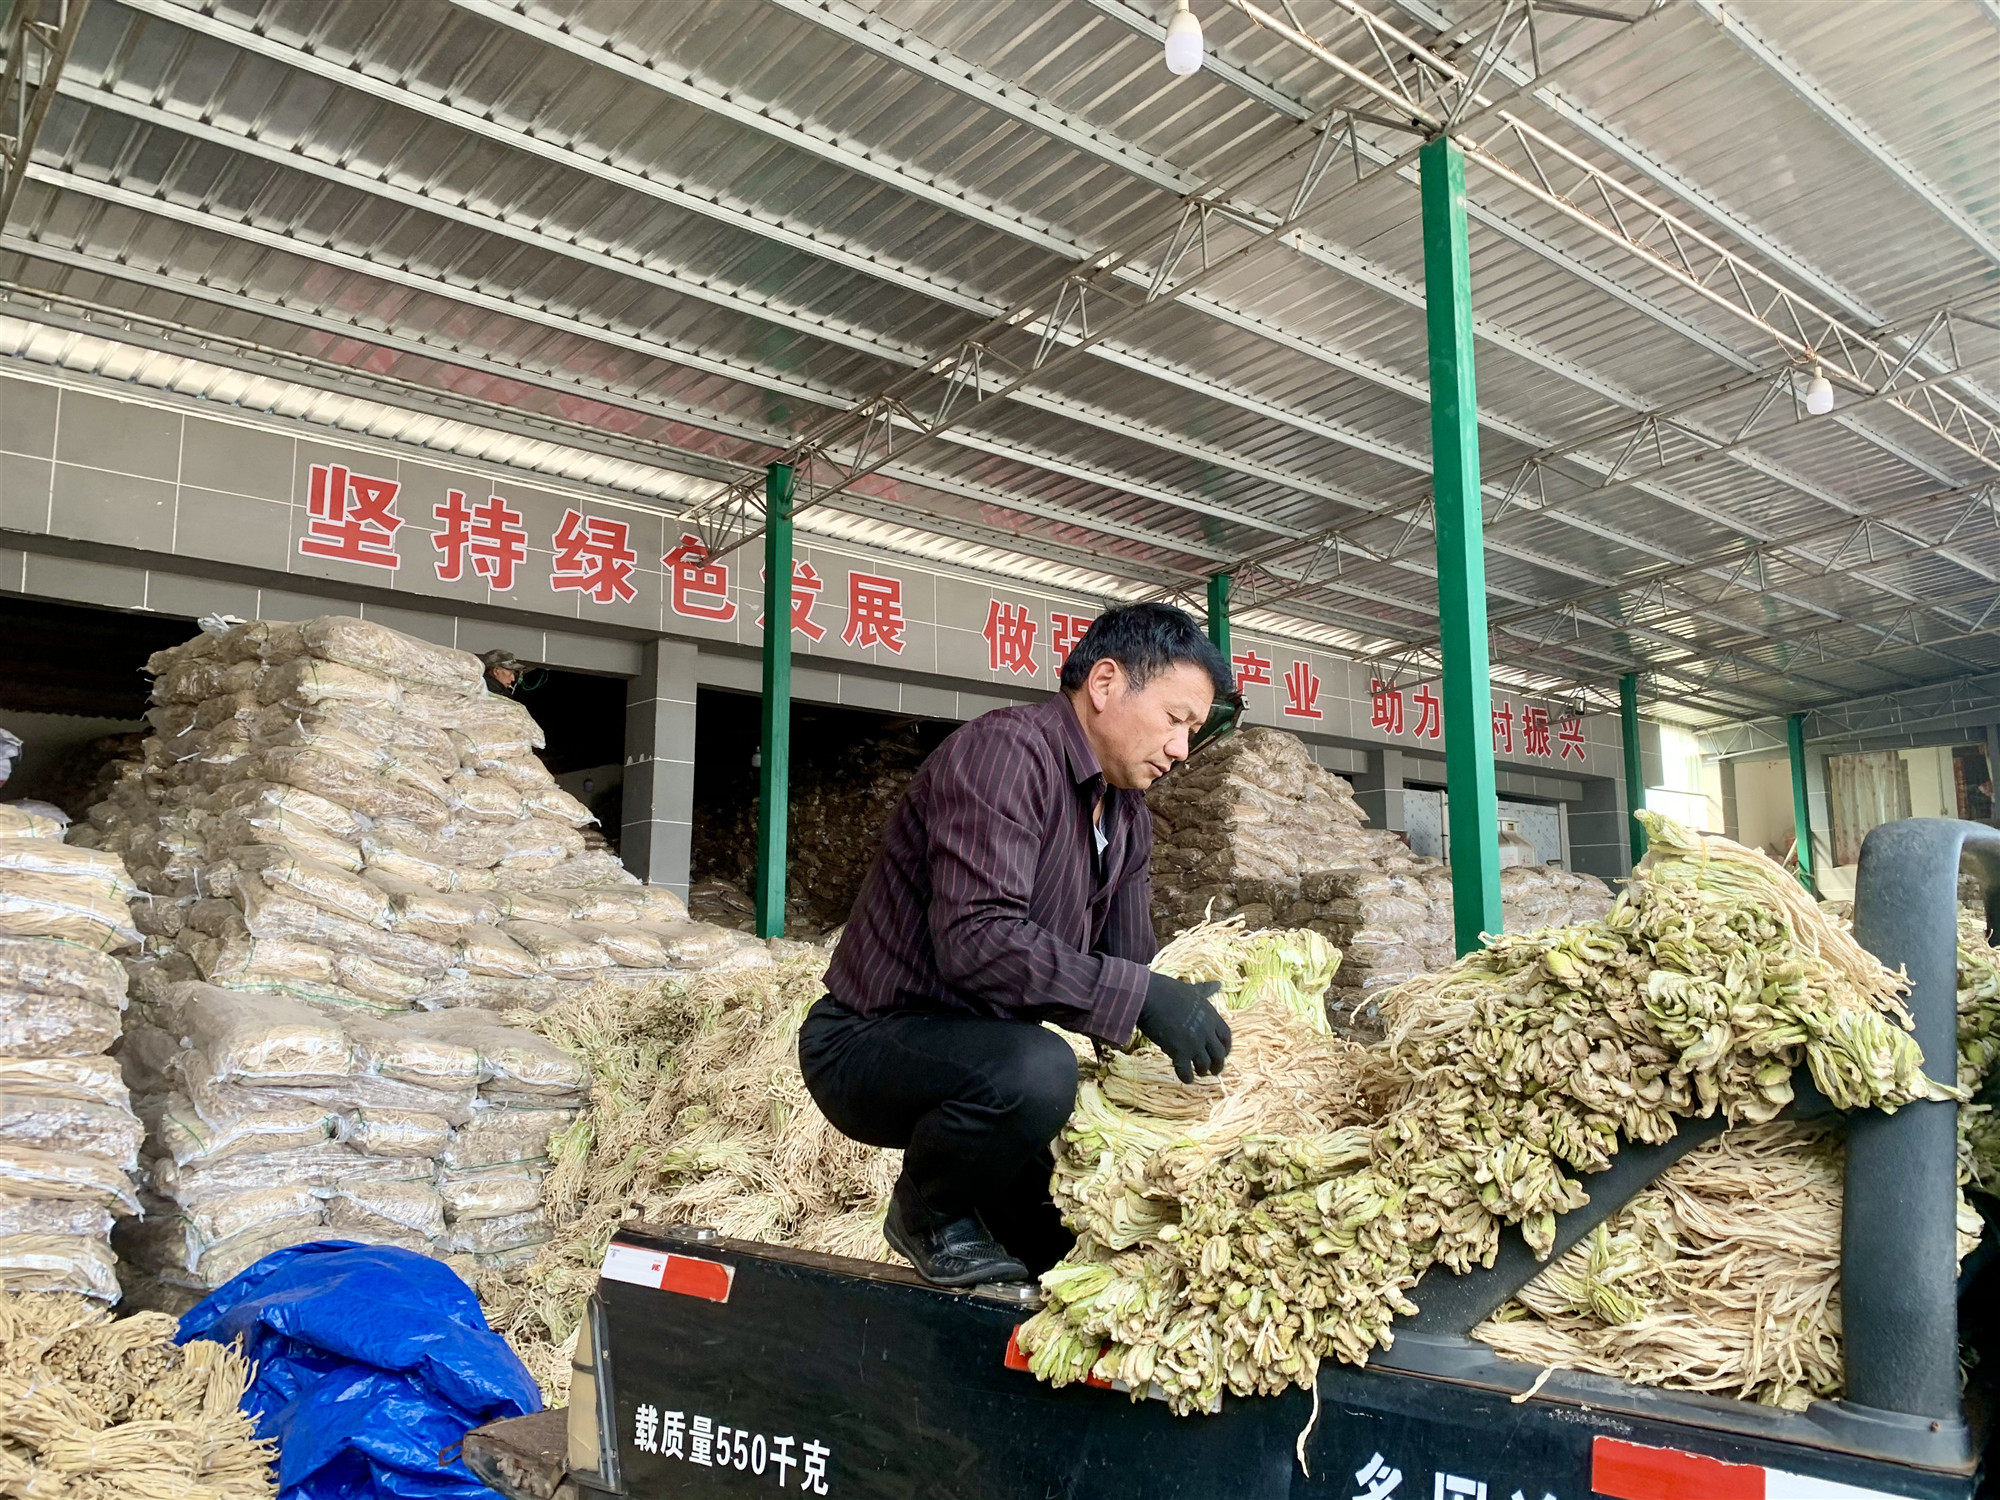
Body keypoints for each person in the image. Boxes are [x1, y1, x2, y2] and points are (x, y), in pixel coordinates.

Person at [798, 603, 1235, 1287]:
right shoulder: (1005, 755)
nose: (1181, 749)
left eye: (1193, 732)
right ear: (1105, 683)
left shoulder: (1127, 817)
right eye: (1176, 719)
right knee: (1039, 1070)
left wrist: (1181, 1032)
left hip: (987, 1054)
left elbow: (1126, 964)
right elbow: (979, 940)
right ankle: (927, 1214)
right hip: (871, 1041)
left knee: (1061, 1245)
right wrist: (1141, 997)